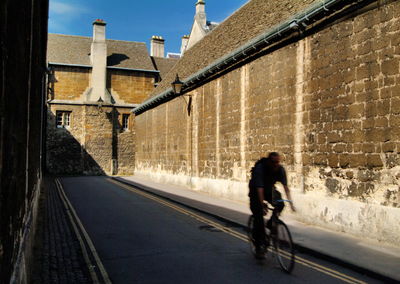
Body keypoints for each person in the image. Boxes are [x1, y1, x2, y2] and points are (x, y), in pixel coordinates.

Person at [248, 152, 296, 259]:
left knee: (280, 204)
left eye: (278, 162)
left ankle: (271, 223)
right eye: (274, 162)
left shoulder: (280, 169)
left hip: (269, 190)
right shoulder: (261, 168)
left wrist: (291, 203)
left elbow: (285, 187)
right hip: (256, 191)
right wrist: (262, 204)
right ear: (269, 161)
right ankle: (259, 246)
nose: (276, 164)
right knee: (259, 218)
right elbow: (259, 188)